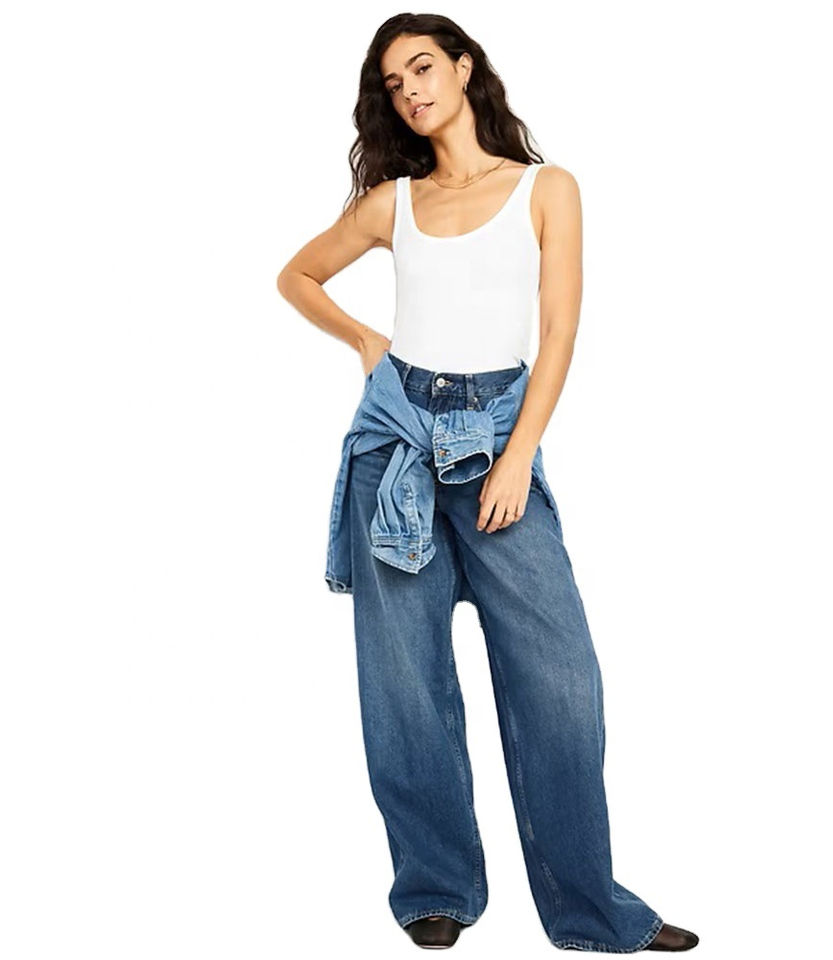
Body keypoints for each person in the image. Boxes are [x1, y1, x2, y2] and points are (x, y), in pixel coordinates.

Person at [277, 14, 699, 954]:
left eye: (424, 67)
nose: (412, 91)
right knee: (405, 683)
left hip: (499, 437)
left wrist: (518, 456)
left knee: (560, 682)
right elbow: (296, 276)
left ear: (465, 68)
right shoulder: (393, 202)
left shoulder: (547, 188)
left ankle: (590, 911)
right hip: (397, 446)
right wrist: (365, 339)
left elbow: (559, 332)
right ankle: (435, 887)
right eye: (394, 84)